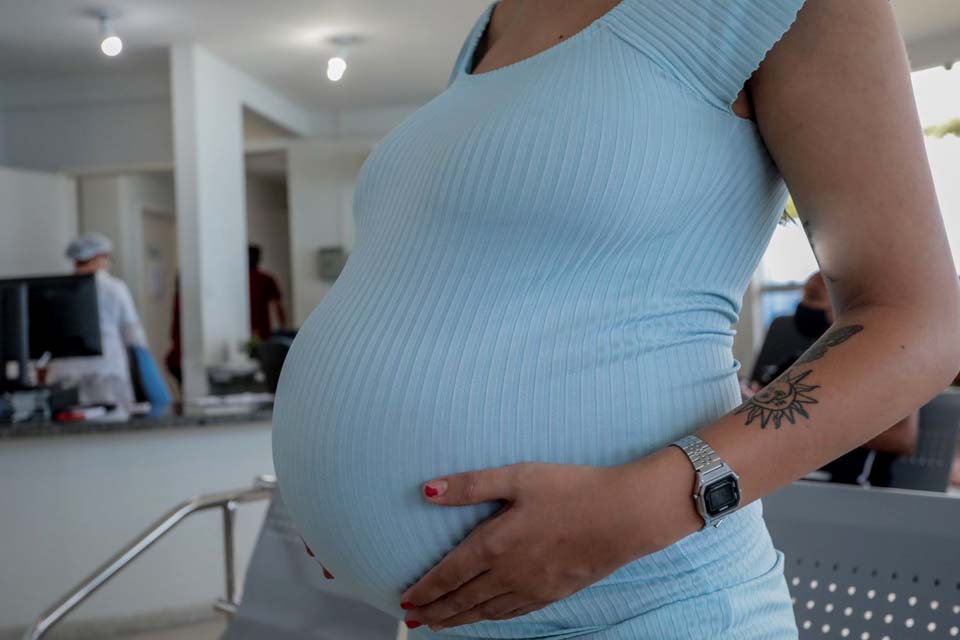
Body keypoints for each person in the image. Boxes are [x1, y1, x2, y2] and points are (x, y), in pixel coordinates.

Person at [272, 1, 960, 638]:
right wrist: (351, 507)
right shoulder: (497, 19)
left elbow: (919, 324)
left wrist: (640, 507)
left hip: (648, 611)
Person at [746, 272, 919, 486]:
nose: (803, 306)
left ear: (844, 306)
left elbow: (902, 439)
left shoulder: (884, 365)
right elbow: (758, 409)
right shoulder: (793, 362)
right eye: (804, 297)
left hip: (849, 489)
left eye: (813, 297)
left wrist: (810, 421)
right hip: (789, 483)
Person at [46, 232, 149, 417]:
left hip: (64, 373)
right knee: (111, 426)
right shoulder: (115, 288)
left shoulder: (57, 288)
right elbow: (133, 335)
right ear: (98, 258)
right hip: (107, 371)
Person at [248, 244, 286, 340]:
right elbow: (278, 305)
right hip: (262, 329)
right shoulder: (266, 278)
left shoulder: (239, 280)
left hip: (246, 328)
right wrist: (283, 327)